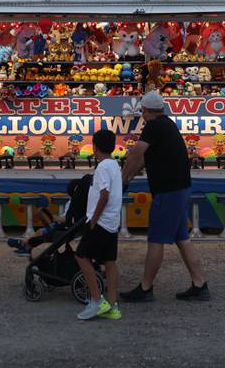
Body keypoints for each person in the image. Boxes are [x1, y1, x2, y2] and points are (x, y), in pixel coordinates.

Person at [120, 91, 209, 302]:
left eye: (142, 111)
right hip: (179, 187)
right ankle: (199, 284)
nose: (142, 114)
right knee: (181, 238)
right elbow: (144, 158)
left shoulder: (154, 126)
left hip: (168, 191)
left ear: (146, 111)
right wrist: (130, 174)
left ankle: (145, 288)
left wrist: (123, 179)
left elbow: (136, 154)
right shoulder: (167, 124)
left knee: (156, 239)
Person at [75, 129, 123, 321]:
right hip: (112, 221)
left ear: (95, 147)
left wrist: (94, 219)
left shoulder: (103, 167)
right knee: (109, 262)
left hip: (101, 222)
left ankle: (97, 300)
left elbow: (104, 195)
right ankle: (112, 305)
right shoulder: (114, 165)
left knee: (81, 256)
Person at [6, 174, 91, 257]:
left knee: (42, 232)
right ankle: (26, 244)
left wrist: (55, 218)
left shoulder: (77, 203)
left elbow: (69, 219)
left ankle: (24, 244)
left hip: (65, 227)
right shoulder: (80, 202)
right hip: (67, 227)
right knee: (42, 233)